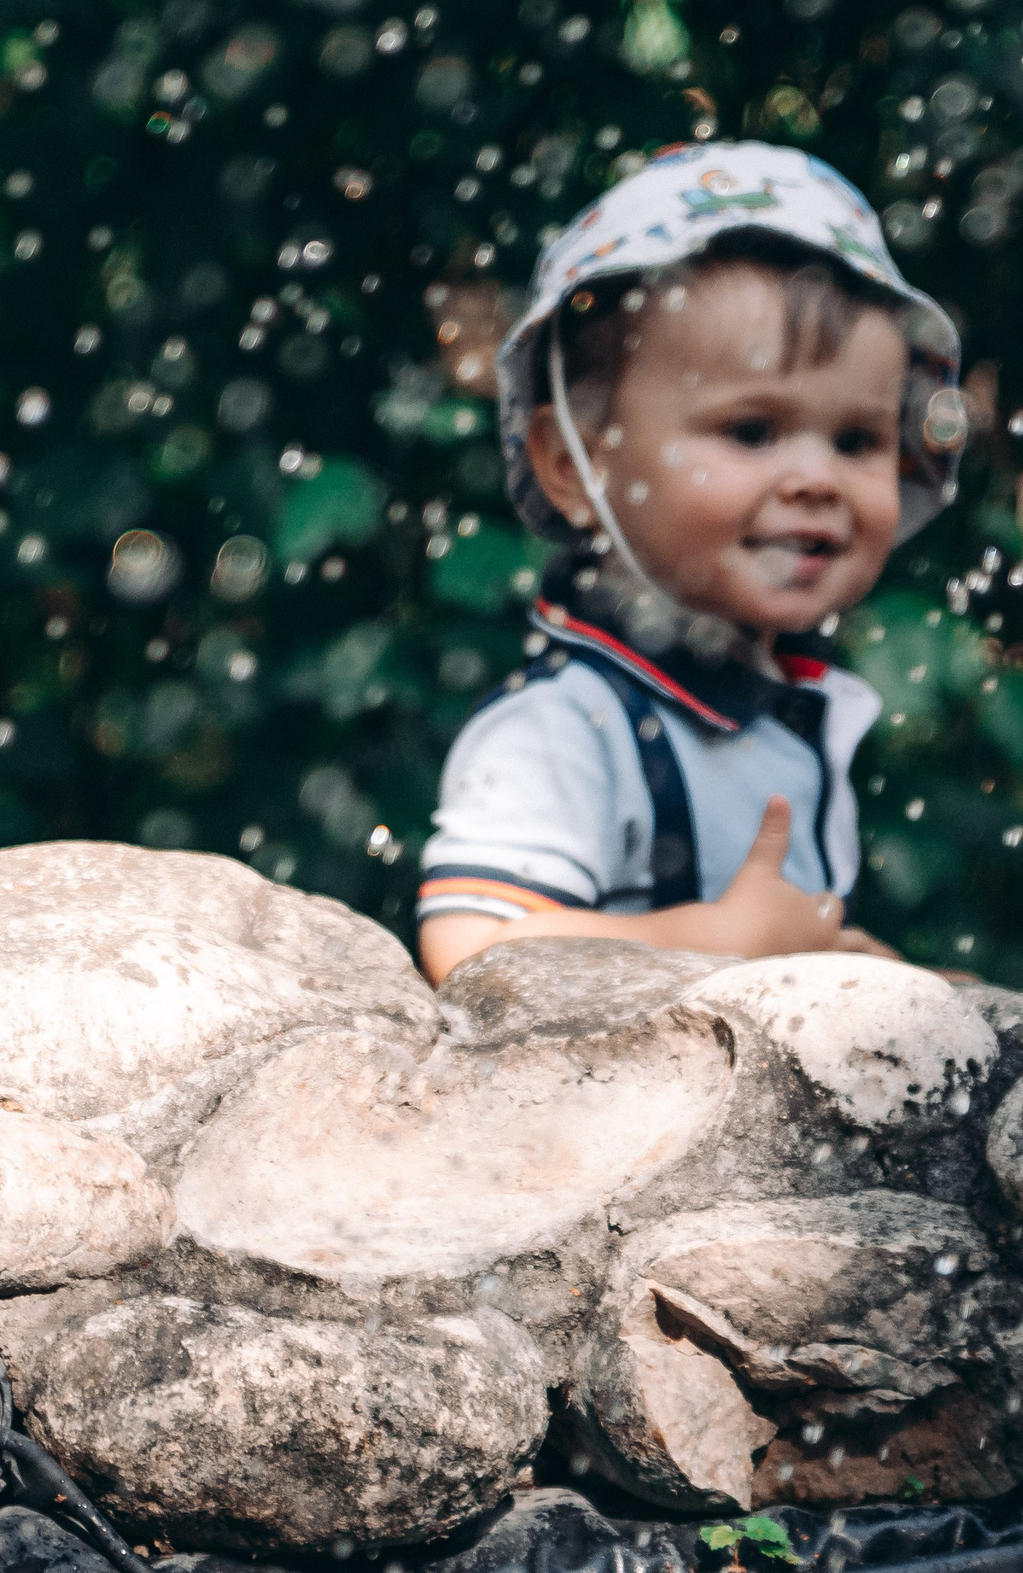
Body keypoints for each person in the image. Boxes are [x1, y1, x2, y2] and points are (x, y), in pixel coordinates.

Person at [413, 142, 965, 985]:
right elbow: (472, 947)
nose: (818, 479)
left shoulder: (787, 707)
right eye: (751, 431)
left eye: (857, 440)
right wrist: (710, 940)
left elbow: (781, 943)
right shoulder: (568, 731)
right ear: (576, 462)